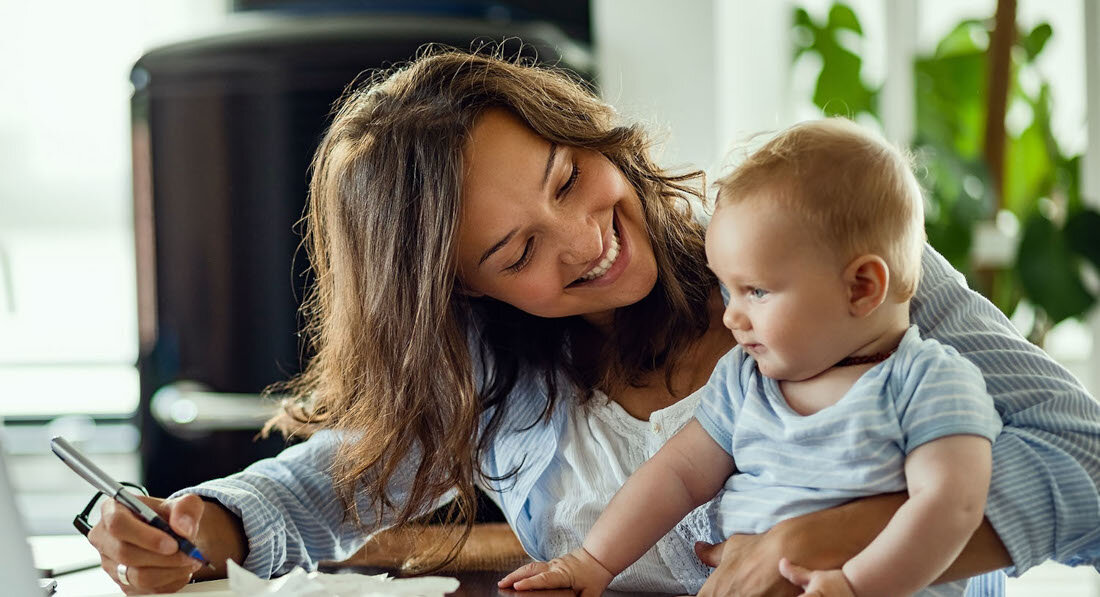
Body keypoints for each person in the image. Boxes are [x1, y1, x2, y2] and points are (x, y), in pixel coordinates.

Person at [85, 50, 1100, 596]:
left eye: (569, 179)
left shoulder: (831, 269)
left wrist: (841, 533)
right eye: (516, 252)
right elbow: (334, 478)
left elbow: (1085, 465)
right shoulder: (499, 369)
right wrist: (198, 527)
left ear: (588, 135)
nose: (583, 242)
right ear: (465, 294)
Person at [498, 118, 1002, 597]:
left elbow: (951, 508)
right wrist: (593, 562)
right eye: (727, 289)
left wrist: (856, 584)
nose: (731, 317)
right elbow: (675, 476)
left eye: (756, 291)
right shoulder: (746, 381)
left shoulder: (928, 382)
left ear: (861, 287)